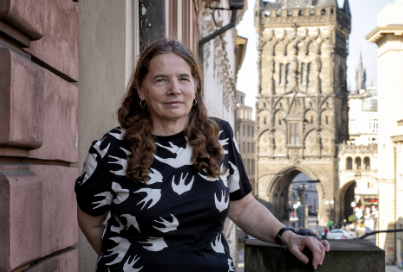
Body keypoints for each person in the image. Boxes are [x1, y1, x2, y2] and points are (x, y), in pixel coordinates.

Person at [75, 39, 330, 272]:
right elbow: (91, 223)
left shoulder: (219, 137)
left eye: (184, 79)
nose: (174, 89)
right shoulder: (111, 149)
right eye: (161, 80)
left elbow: (243, 208)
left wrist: (288, 236)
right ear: (141, 90)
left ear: (196, 87)